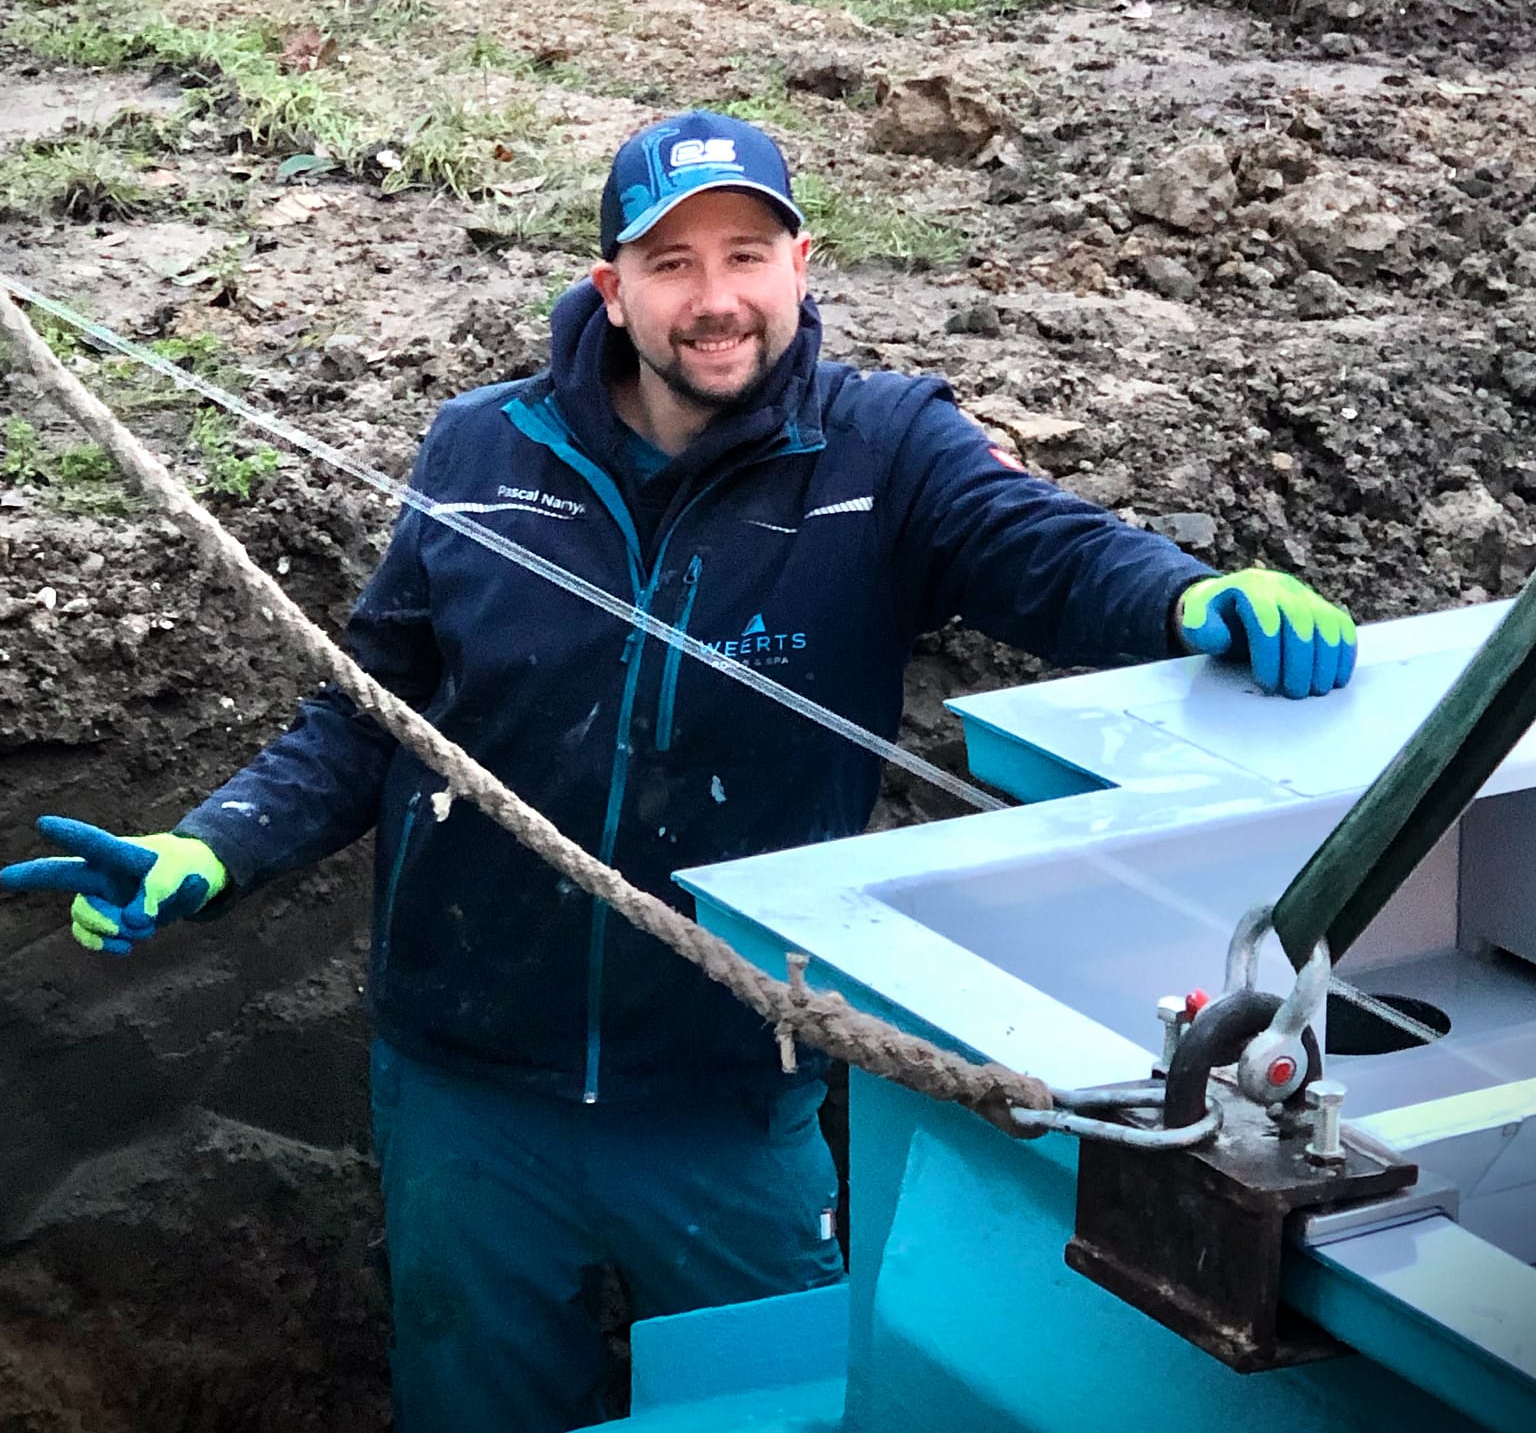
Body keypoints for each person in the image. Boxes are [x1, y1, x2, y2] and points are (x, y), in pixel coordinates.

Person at [0, 112, 1358, 1433]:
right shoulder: (483, 449)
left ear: (801, 266)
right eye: (672, 263)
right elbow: (371, 715)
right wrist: (214, 847)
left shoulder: (884, 450)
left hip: (734, 1096)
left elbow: (1045, 549)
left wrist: (1192, 598)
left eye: (747, 257)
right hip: (471, 1098)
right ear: (611, 286)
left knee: (788, 1404)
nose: (717, 301)